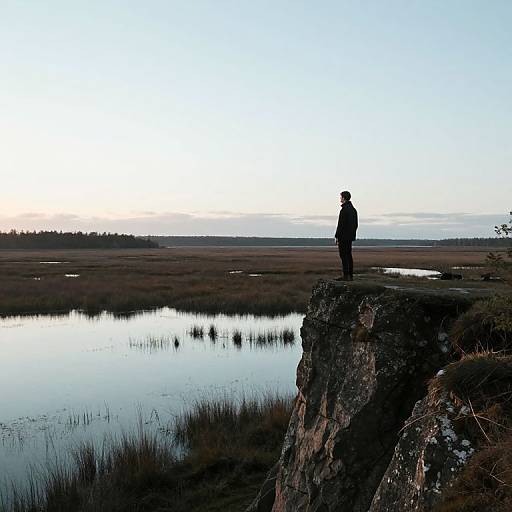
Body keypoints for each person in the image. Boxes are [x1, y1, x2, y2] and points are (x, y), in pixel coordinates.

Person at [335, 190, 358, 280]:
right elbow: (355, 225)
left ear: (344, 198)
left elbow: (341, 225)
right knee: (348, 255)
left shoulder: (344, 210)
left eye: (341, 197)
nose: (340, 199)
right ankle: (350, 276)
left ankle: (345, 276)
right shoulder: (353, 210)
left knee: (343, 255)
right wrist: (352, 234)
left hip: (343, 237)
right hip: (350, 237)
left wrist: (337, 236)